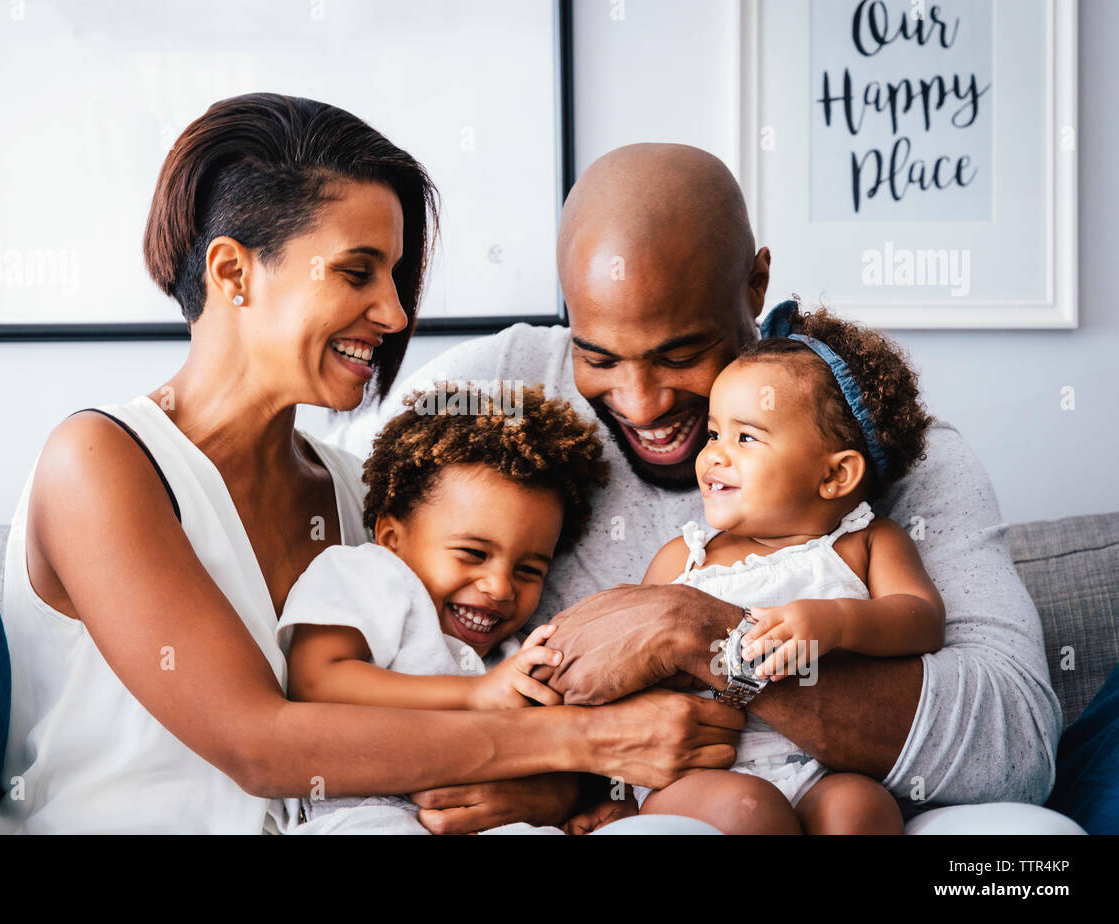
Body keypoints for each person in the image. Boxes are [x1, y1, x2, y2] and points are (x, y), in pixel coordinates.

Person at [0, 96, 719, 834]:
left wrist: (559, 789)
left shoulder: (357, 490)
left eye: (396, 277)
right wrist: (592, 743)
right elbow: (260, 744)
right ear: (233, 271)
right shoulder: (100, 462)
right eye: (357, 272)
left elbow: (415, 705)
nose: (397, 314)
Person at [328, 142, 1082, 834]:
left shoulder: (875, 444)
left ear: (755, 282)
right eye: (598, 356)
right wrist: (570, 778)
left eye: (681, 353)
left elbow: (1015, 748)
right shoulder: (486, 392)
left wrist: (697, 631)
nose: (642, 402)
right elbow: (344, 625)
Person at [633, 302, 946, 834]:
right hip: (703, 774)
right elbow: (634, 656)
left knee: (863, 808)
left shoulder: (863, 544)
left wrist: (839, 622)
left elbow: (922, 619)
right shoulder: (684, 557)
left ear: (836, 475)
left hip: (822, 769)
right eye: (713, 434)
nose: (714, 456)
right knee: (750, 810)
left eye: (745, 437)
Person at [278, 382, 608, 833]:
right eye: (473, 553)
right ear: (392, 539)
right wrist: (473, 694)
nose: (500, 587)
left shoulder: (509, 656)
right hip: (364, 814)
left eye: (529, 570)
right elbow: (316, 680)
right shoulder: (369, 574)